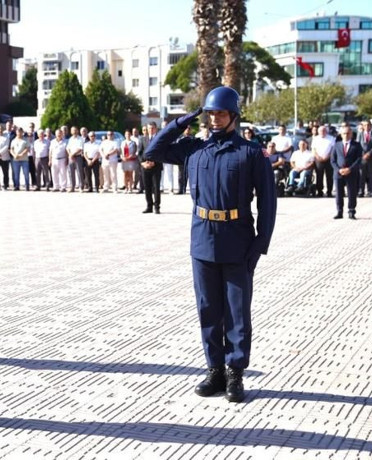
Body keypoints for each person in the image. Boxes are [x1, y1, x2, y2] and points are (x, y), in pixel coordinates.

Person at [145, 86, 276, 403]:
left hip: (238, 241)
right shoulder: (193, 150)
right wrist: (178, 124)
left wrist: (259, 246)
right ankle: (214, 370)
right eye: (211, 113)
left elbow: (268, 204)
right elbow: (152, 152)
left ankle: (235, 374)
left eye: (220, 113)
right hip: (202, 240)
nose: (215, 119)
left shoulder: (251, 154)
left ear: (234, 115)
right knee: (208, 310)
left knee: (236, 313)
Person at [331, 124, 362, 219]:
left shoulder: (356, 145)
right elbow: (333, 160)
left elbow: (359, 159)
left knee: (352, 193)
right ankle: (339, 211)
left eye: (348, 133)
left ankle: (351, 211)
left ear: (351, 134)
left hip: (351, 173)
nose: (346, 135)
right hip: (338, 173)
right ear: (341, 134)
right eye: (344, 133)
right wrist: (339, 170)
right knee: (339, 194)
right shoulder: (336, 145)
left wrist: (350, 169)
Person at [140, 122, 162, 213]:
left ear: (156, 129)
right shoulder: (143, 139)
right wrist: (143, 163)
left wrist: (154, 162)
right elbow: (140, 152)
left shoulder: (159, 138)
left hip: (156, 167)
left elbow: (161, 152)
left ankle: (157, 207)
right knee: (147, 187)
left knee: (156, 188)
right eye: (149, 128)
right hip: (145, 167)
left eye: (152, 128)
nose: (150, 130)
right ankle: (149, 206)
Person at [311, 125, 335, 197]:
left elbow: (333, 149)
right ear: (318, 132)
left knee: (329, 176)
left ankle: (329, 191)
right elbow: (313, 149)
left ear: (326, 131)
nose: (322, 132)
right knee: (319, 176)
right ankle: (319, 191)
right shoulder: (315, 139)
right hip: (319, 159)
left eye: (324, 130)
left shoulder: (331, 138)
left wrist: (327, 156)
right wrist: (318, 157)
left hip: (329, 159)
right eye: (321, 131)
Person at [357, 121, 372, 198]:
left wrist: (369, 153)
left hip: (371, 158)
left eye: (368, 125)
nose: (367, 126)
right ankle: (361, 191)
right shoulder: (360, 134)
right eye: (365, 125)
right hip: (362, 158)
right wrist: (363, 154)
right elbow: (358, 145)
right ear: (363, 126)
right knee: (361, 175)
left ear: (371, 126)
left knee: (371, 175)